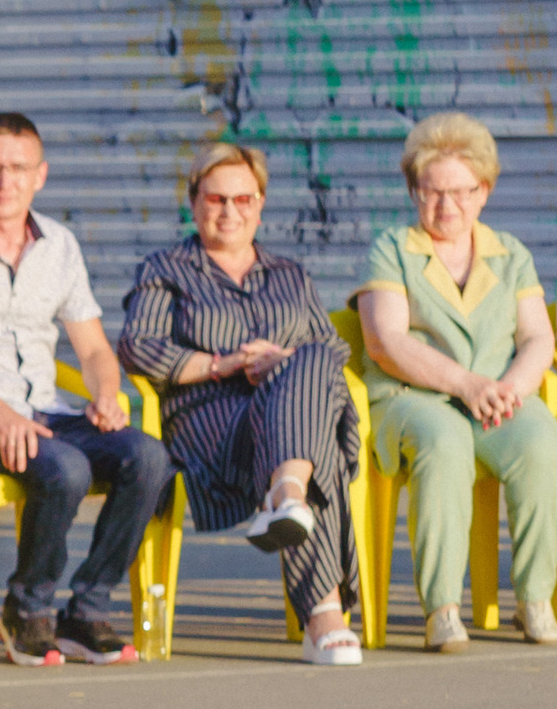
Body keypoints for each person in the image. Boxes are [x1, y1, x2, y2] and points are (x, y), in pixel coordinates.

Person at [0, 112, 172, 664]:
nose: (5, 182)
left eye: (18, 168)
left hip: (45, 411)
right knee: (65, 468)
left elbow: (92, 349)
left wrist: (106, 393)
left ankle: (88, 608)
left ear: (40, 175)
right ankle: (28, 609)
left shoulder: (60, 245)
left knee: (147, 456)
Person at [118, 138, 363, 664]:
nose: (230, 211)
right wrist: (221, 364)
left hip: (287, 423)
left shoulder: (290, 275)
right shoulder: (166, 269)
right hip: (213, 426)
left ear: (261, 204)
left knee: (315, 362)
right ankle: (323, 609)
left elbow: (331, 349)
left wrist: (281, 362)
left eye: (243, 199)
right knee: (314, 427)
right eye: (216, 199)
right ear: (194, 201)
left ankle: (286, 493)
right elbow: (138, 346)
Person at [356, 110, 557, 650]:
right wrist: (467, 386)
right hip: (413, 398)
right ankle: (441, 608)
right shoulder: (392, 249)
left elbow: (539, 338)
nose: (447, 205)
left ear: (484, 190)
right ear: (413, 190)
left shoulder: (509, 253)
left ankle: (536, 599)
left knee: (542, 442)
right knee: (445, 443)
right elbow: (387, 342)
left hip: (498, 396)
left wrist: (510, 388)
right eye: (431, 191)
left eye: (462, 191)